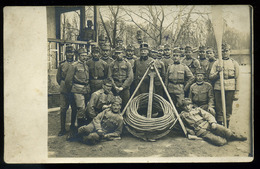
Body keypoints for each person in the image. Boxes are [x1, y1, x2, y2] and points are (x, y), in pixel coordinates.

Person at [180, 98, 247, 146]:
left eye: (189, 105)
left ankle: (233, 136)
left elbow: (208, 115)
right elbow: (181, 126)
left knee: (226, 131)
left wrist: (212, 122)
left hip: (207, 124)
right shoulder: (182, 115)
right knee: (221, 142)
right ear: (183, 107)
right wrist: (189, 130)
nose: (187, 107)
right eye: (185, 106)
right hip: (200, 130)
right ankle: (225, 138)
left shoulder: (197, 109)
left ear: (192, 105)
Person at [209, 43, 240, 128]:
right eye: (222, 51)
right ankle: (220, 126)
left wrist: (236, 92)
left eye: (226, 51)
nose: (224, 53)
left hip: (230, 88)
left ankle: (227, 125)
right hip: (218, 88)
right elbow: (211, 77)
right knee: (219, 108)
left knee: (228, 107)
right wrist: (218, 73)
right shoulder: (216, 63)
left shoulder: (234, 63)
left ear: (230, 51)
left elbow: (237, 79)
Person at [65, 47, 90, 129]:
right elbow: (68, 80)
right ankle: (79, 127)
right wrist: (71, 91)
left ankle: (81, 126)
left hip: (86, 89)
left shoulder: (86, 65)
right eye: (82, 55)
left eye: (85, 55)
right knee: (81, 108)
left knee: (86, 108)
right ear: (78, 56)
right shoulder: (74, 65)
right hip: (77, 89)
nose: (84, 57)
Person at [56, 45, 77, 136]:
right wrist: (63, 84)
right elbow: (58, 78)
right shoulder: (62, 64)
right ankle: (62, 129)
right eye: (68, 52)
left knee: (74, 108)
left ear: (74, 54)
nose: (70, 54)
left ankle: (72, 126)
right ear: (65, 54)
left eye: (71, 52)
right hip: (64, 90)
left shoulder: (76, 64)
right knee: (63, 109)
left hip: (73, 88)